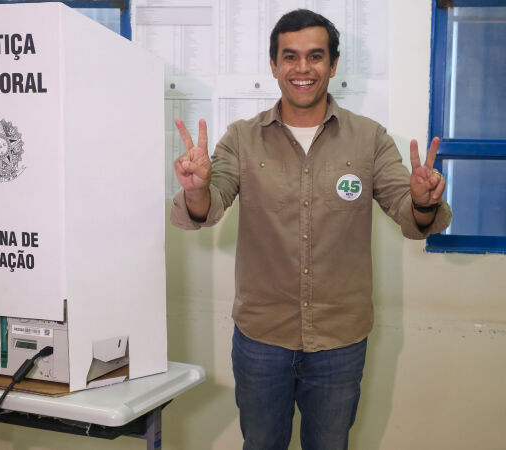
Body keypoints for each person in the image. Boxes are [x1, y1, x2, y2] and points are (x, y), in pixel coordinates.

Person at [170, 8, 452, 450]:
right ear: (274, 65)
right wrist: (197, 188)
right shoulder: (242, 139)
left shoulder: (370, 139)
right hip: (262, 339)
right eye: (290, 57)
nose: (302, 69)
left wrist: (421, 200)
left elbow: (408, 214)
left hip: (340, 341)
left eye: (315, 57)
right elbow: (211, 204)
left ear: (333, 65)